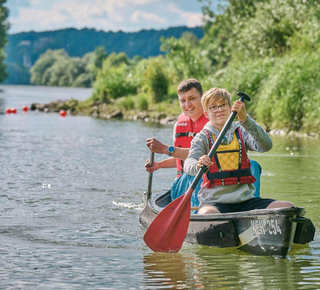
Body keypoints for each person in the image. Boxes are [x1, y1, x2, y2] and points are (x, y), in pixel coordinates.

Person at [184, 87, 293, 214]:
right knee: (207, 213)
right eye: (213, 107)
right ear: (206, 113)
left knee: (288, 207)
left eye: (223, 105)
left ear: (230, 108)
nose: (219, 110)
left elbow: (266, 146)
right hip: (215, 203)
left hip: (246, 202)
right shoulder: (202, 137)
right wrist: (197, 164)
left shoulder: (242, 130)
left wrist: (246, 120)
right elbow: (188, 163)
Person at [145, 78, 207, 207]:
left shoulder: (212, 123)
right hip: (183, 183)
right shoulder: (179, 124)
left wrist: (165, 149)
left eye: (192, 98)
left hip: (207, 181)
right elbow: (180, 159)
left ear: (202, 98)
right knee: (190, 176)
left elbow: (205, 154)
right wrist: (158, 165)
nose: (187, 104)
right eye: (182, 100)